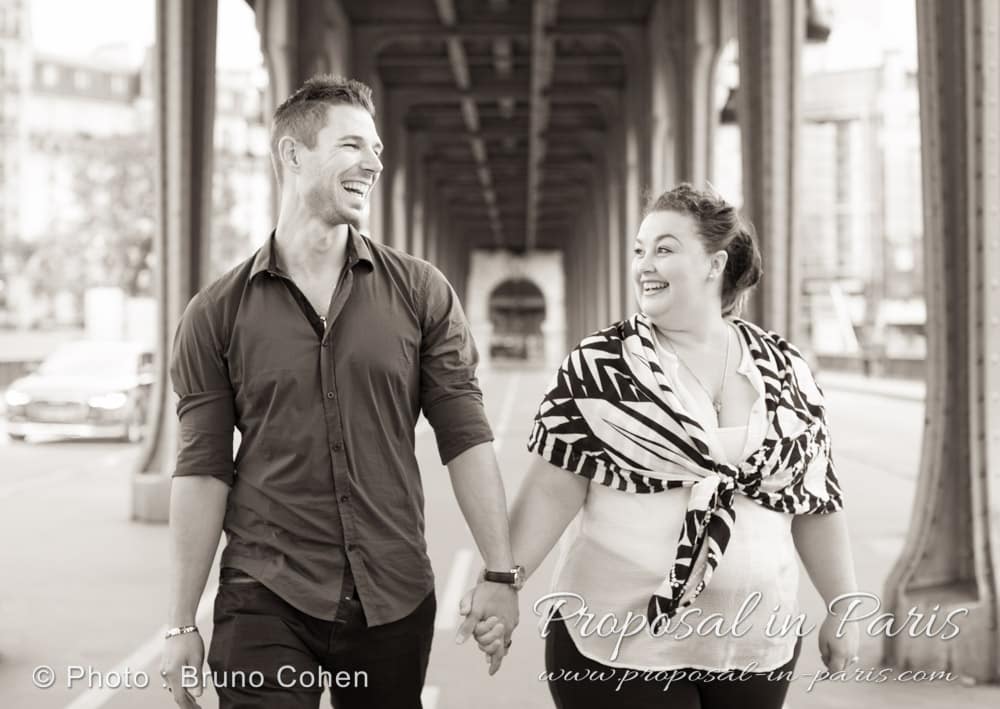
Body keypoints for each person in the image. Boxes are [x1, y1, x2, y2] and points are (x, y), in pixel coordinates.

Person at [159, 74, 520, 709]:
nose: (373, 163)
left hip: (393, 591)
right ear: (292, 155)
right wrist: (182, 622)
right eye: (352, 145)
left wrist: (499, 573)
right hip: (264, 592)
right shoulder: (215, 314)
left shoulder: (421, 292)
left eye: (377, 149)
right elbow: (202, 470)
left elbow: (465, 438)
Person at [467, 183, 860, 708]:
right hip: (618, 648)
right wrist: (502, 583)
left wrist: (842, 605)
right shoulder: (601, 366)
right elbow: (549, 492)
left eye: (665, 249)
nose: (644, 265)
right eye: (639, 250)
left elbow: (814, 501)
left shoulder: (786, 370)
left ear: (714, 264)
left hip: (753, 648)